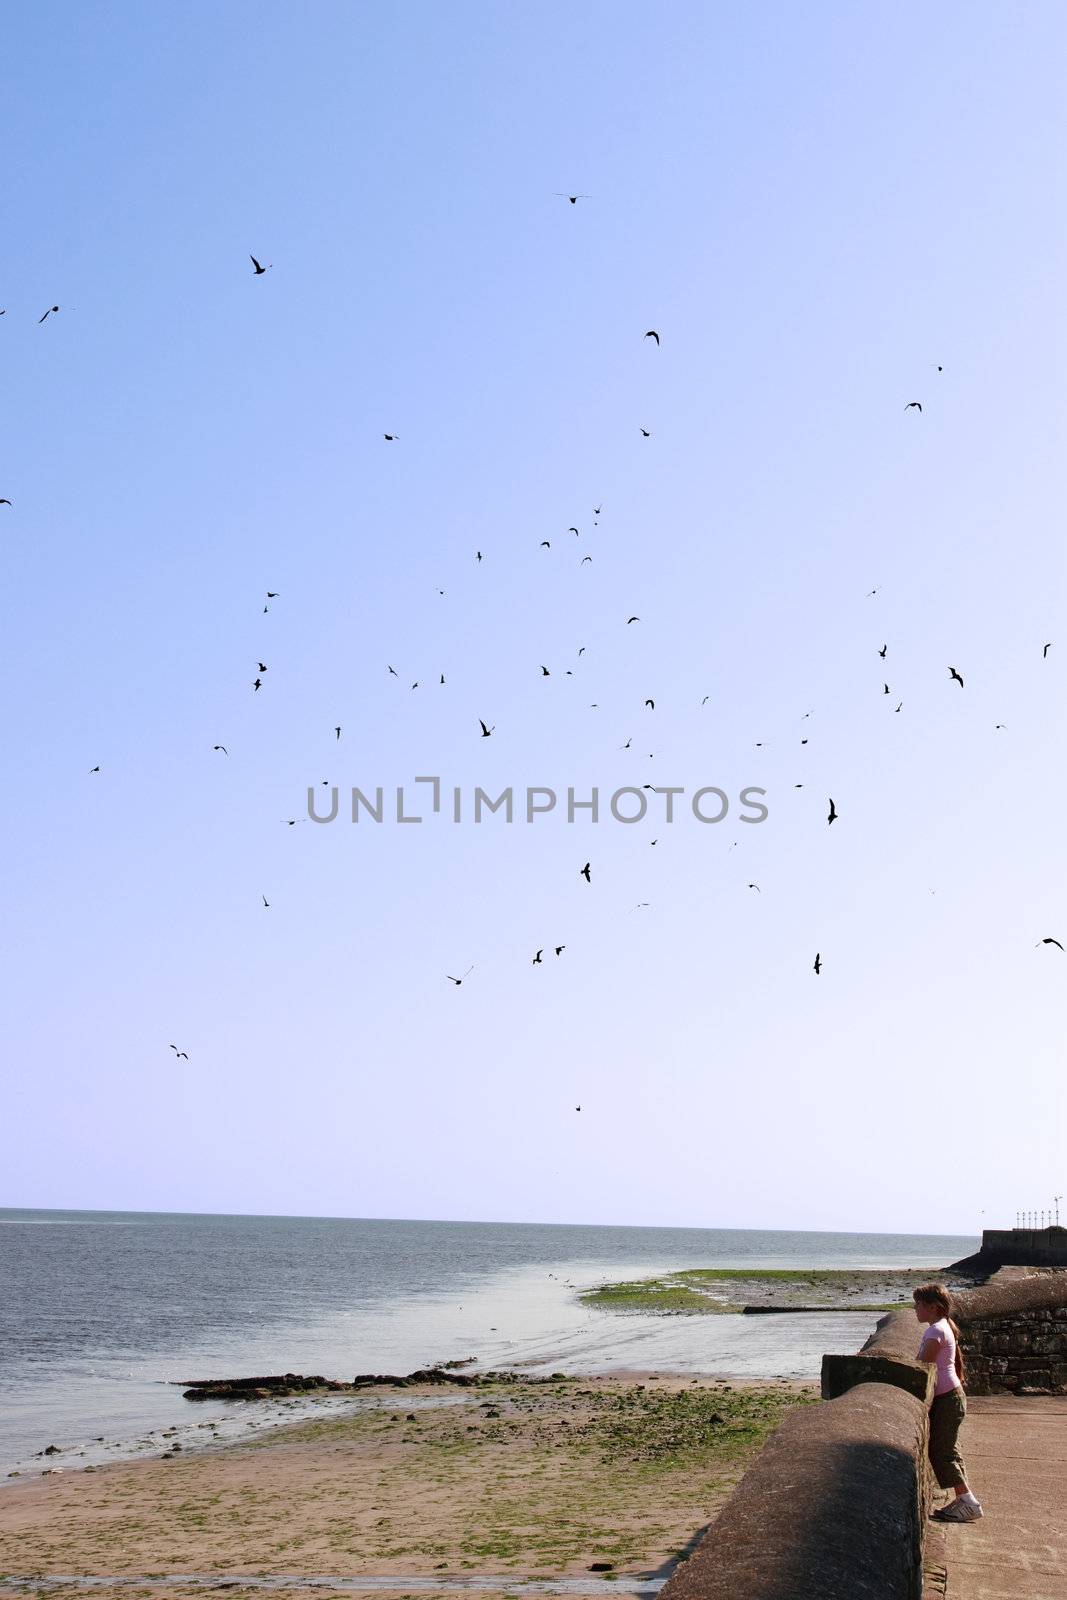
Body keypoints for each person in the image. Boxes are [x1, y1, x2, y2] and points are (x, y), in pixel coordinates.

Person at [913, 1283, 983, 1521]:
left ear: (933, 1307)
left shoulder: (935, 1332)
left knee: (942, 1452)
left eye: (919, 1304)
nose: (915, 1309)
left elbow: (924, 1368)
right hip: (951, 1396)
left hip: (946, 1399)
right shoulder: (942, 1327)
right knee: (948, 1450)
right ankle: (964, 1500)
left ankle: (968, 1502)